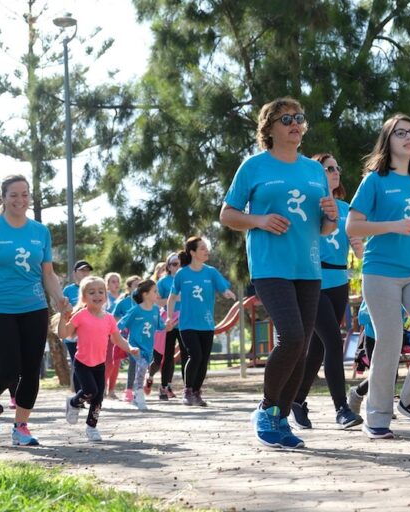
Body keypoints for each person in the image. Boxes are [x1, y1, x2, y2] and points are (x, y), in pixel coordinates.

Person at [220, 97, 338, 448]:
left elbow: (324, 229)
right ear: (269, 127)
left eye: (300, 117)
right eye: (286, 118)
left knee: (301, 347)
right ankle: (267, 408)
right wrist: (258, 220)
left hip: (308, 266)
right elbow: (228, 214)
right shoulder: (254, 167)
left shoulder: (315, 171)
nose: (295, 124)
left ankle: (279, 419)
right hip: (271, 266)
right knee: (293, 337)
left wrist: (331, 215)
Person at [346, 113, 410, 439]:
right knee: (389, 342)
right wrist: (390, 227)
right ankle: (377, 418)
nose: (408, 137)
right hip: (381, 272)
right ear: (387, 140)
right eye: (400, 132)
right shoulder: (374, 180)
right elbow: (353, 226)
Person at [0, 174, 67, 446]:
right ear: (4, 197)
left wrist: (58, 296)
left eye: (25, 194)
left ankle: (21, 427)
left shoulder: (40, 232)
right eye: (14, 195)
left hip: (34, 307)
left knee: (32, 370)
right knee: (8, 369)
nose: (20, 200)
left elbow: (48, 273)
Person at [291, 153, 364, 430]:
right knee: (334, 342)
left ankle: (296, 400)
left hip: (339, 282)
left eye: (337, 167)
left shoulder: (346, 208)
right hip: (312, 281)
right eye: (328, 168)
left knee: (319, 349)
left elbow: (357, 245)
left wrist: (359, 247)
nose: (335, 172)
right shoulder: (306, 204)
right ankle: (342, 409)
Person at [59, 276, 139, 442]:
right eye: (92, 292)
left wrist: (130, 348)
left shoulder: (109, 318)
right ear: (84, 297)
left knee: (98, 398)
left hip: (99, 364)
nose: (97, 295)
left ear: (106, 295)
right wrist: (62, 316)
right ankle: (73, 403)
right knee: (90, 390)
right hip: (82, 363)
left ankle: (91, 428)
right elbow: (63, 334)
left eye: (101, 291)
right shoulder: (81, 315)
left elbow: (117, 339)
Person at [166, 237, 235, 406]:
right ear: (193, 252)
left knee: (204, 359)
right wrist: (169, 317)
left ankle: (196, 392)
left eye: (207, 248)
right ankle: (187, 390)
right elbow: (172, 298)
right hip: (187, 324)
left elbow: (222, 287)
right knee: (195, 355)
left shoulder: (211, 272)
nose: (206, 251)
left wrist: (227, 293)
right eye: (202, 248)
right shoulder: (182, 273)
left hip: (207, 324)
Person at [117, 279, 169, 410]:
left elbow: (160, 326)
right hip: (134, 346)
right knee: (142, 366)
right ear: (145, 294)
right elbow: (120, 324)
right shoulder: (135, 310)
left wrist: (167, 326)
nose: (157, 294)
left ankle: (136, 395)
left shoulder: (156, 310)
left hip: (148, 347)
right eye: (155, 291)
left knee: (143, 369)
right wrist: (116, 334)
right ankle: (139, 394)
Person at [155, 253, 183, 400]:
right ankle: (164, 387)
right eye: (173, 264)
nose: (177, 266)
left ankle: (189, 388)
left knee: (187, 354)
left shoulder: (187, 278)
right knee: (168, 355)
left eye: (179, 263)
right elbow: (155, 301)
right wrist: (172, 299)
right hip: (169, 320)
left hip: (186, 320)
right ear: (168, 266)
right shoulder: (163, 281)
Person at [113, 275, 142, 402]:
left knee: (142, 362)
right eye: (136, 286)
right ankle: (129, 390)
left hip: (143, 336)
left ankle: (138, 389)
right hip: (127, 337)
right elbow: (113, 317)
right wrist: (124, 324)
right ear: (129, 288)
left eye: (141, 286)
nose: (138, 288)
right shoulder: (123, 302)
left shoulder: (145, 302)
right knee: (134, 361)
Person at [103, 272, 123, 399]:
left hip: (120, 333)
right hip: (107, 333)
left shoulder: (123, 298)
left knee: (117, 362)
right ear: (107, 284)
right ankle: (103, 386)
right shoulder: (105, 297)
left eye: (117, 281)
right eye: (113, 281)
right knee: (108, 362)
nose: (116, 284)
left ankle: (111, 390)